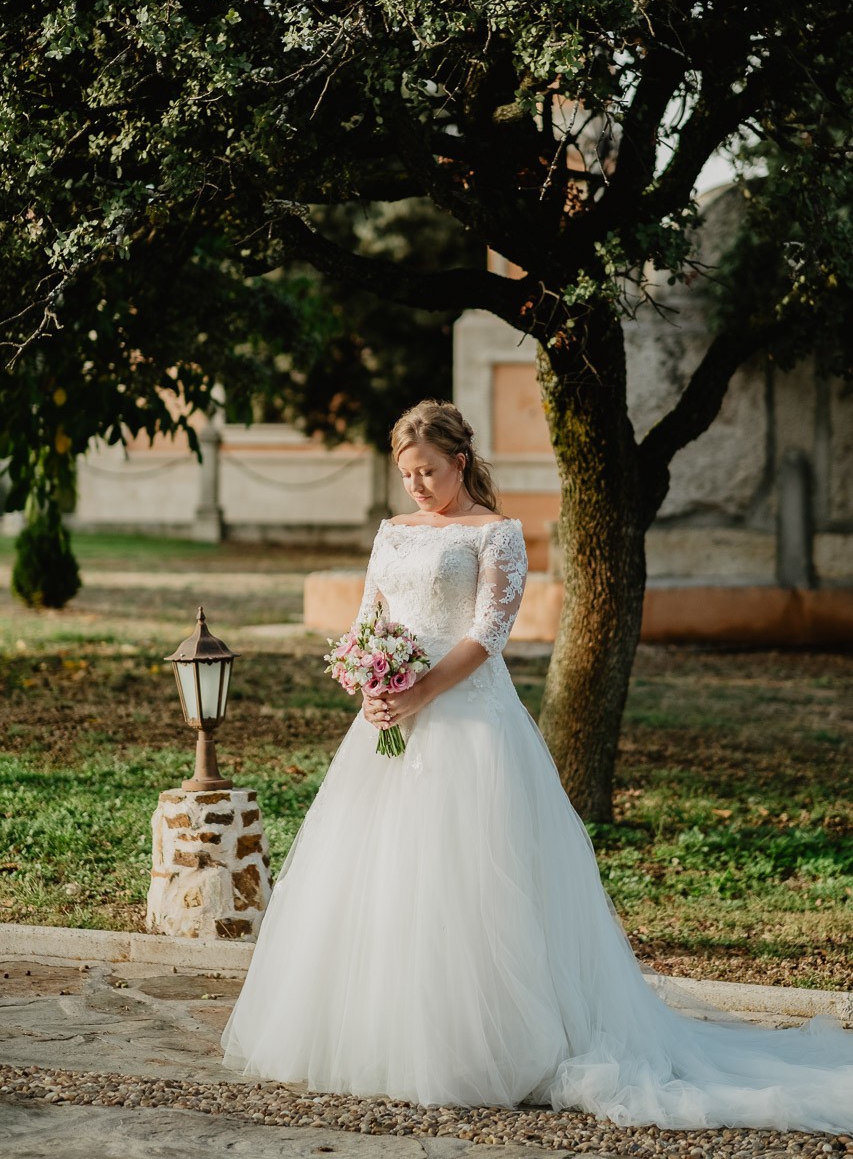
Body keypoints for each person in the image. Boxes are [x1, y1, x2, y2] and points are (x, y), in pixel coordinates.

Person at [222, 399, 853, 1130]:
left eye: (428, 470)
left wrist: (421, 688)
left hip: (468, 723)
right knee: (386, 876)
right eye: (407, 475)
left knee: (469, 881)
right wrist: (372, 683)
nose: (417, 486)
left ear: (460, 461)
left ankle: (484, 1047)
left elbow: (489, 631)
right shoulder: (392, 533)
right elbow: (370, 620)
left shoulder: (496, 534)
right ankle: (382, 1035)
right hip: (390, 720)